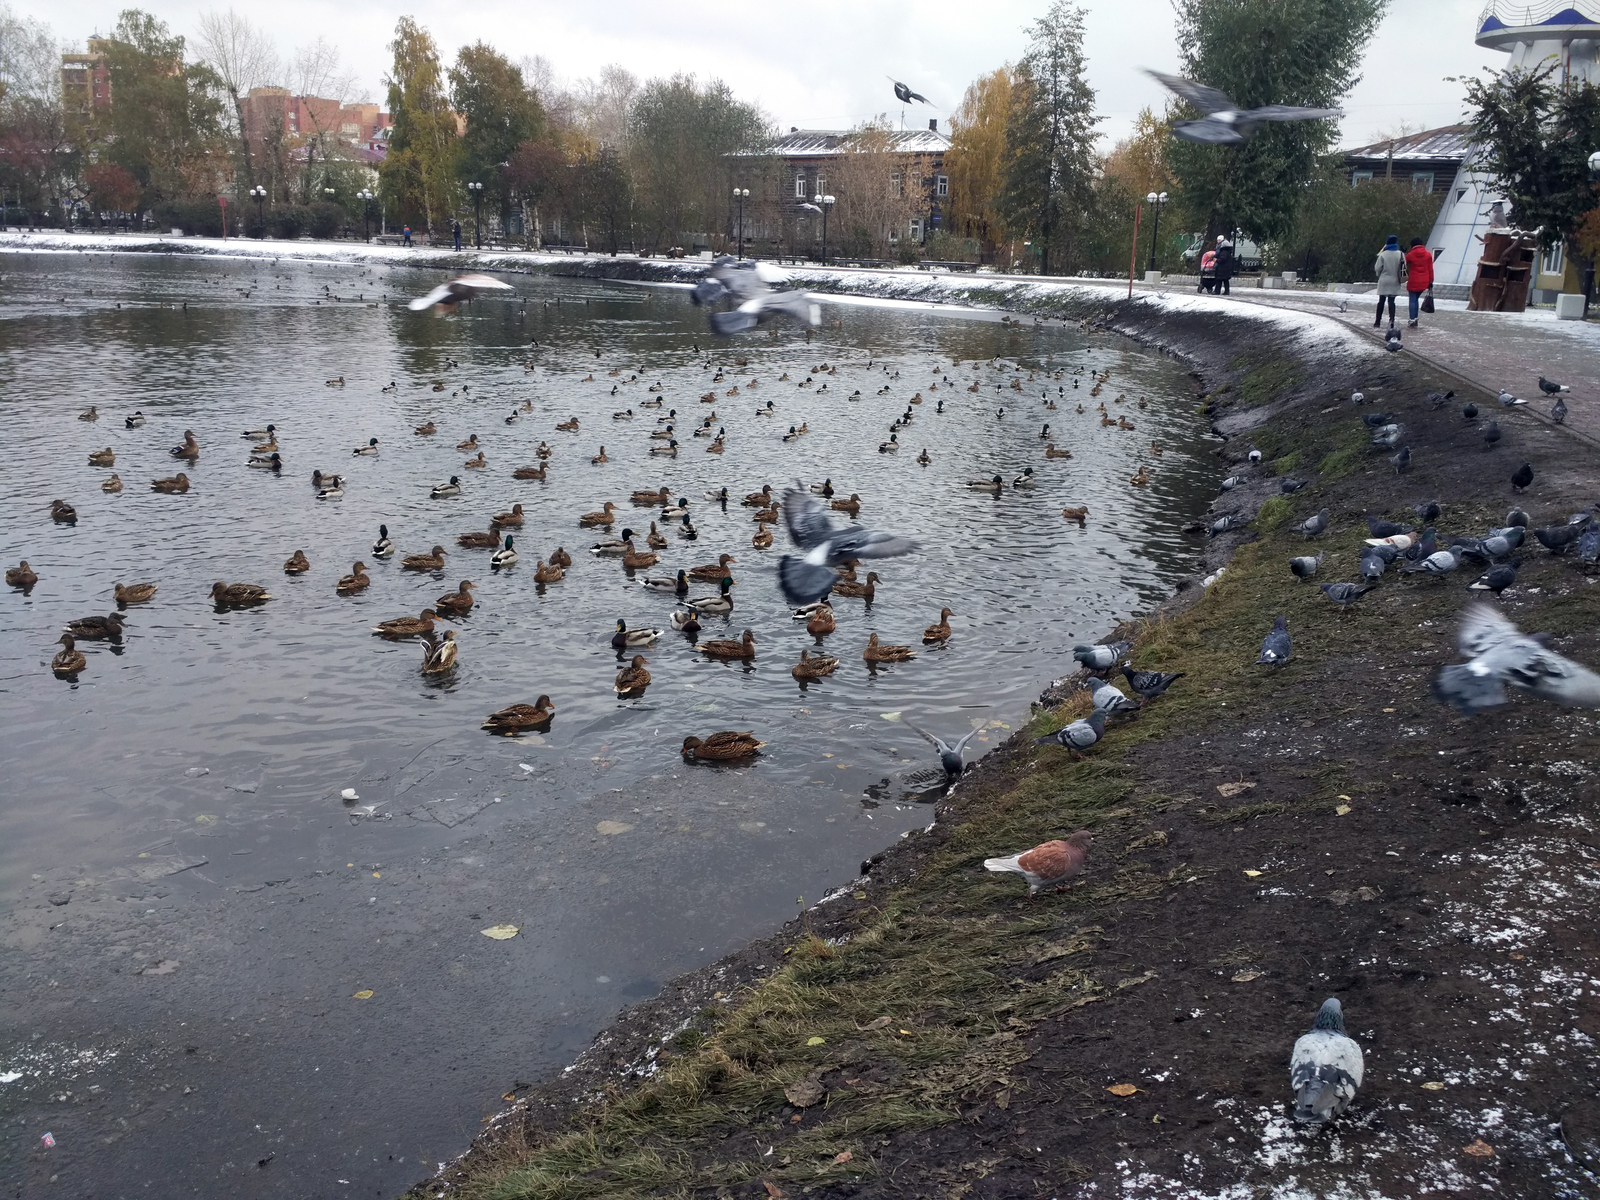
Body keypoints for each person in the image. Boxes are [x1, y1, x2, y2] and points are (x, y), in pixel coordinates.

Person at [1374, 234, 1404, 328]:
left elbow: (1377, 268)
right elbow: (1403, 267)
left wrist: (1379, 275)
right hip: (1395, 280)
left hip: (1384, 279)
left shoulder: (1383, 254)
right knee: (1392, 301)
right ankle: (1391, 321)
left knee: (1381, 301)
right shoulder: (1401, 254)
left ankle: (1377, 321)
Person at [1404, 237, 1433, 328]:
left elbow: (1403, 264)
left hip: (1413, 280)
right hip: (1424, 281)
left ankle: (1412, 319)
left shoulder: (1410, 255)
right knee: (1416, 299)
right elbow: (1430, 269)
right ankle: (1415, 318)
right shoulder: (1428, 255)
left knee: (1412, 300)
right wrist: (1431, 281)